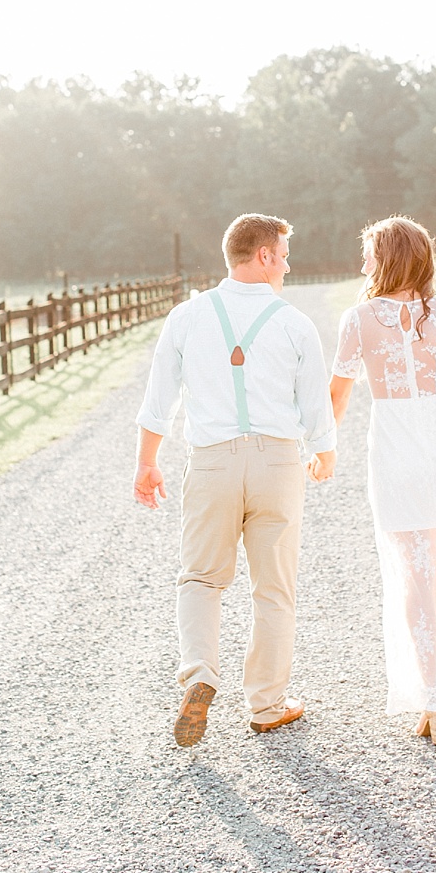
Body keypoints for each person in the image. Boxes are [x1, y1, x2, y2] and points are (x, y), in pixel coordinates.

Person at [134, 213, 338, 747]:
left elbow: (159, 400)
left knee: (200, 578)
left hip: (212, 462)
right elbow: (316, 408)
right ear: (264, 255)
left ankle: (200, 673)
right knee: (274, 588)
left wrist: (146, 462)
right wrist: (323, 454)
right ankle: (267, 704)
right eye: (284, 254)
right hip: (277, 463)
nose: (288, 265)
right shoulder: (294, 323)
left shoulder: (187, 317)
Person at [327, 215, 436, 744]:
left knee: (413, 578)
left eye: (370, 253)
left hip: (396, 455)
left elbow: (338, 394)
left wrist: (321, 450)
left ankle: (433, 696)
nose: (364, 263)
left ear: (389, 258)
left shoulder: (359, 320)